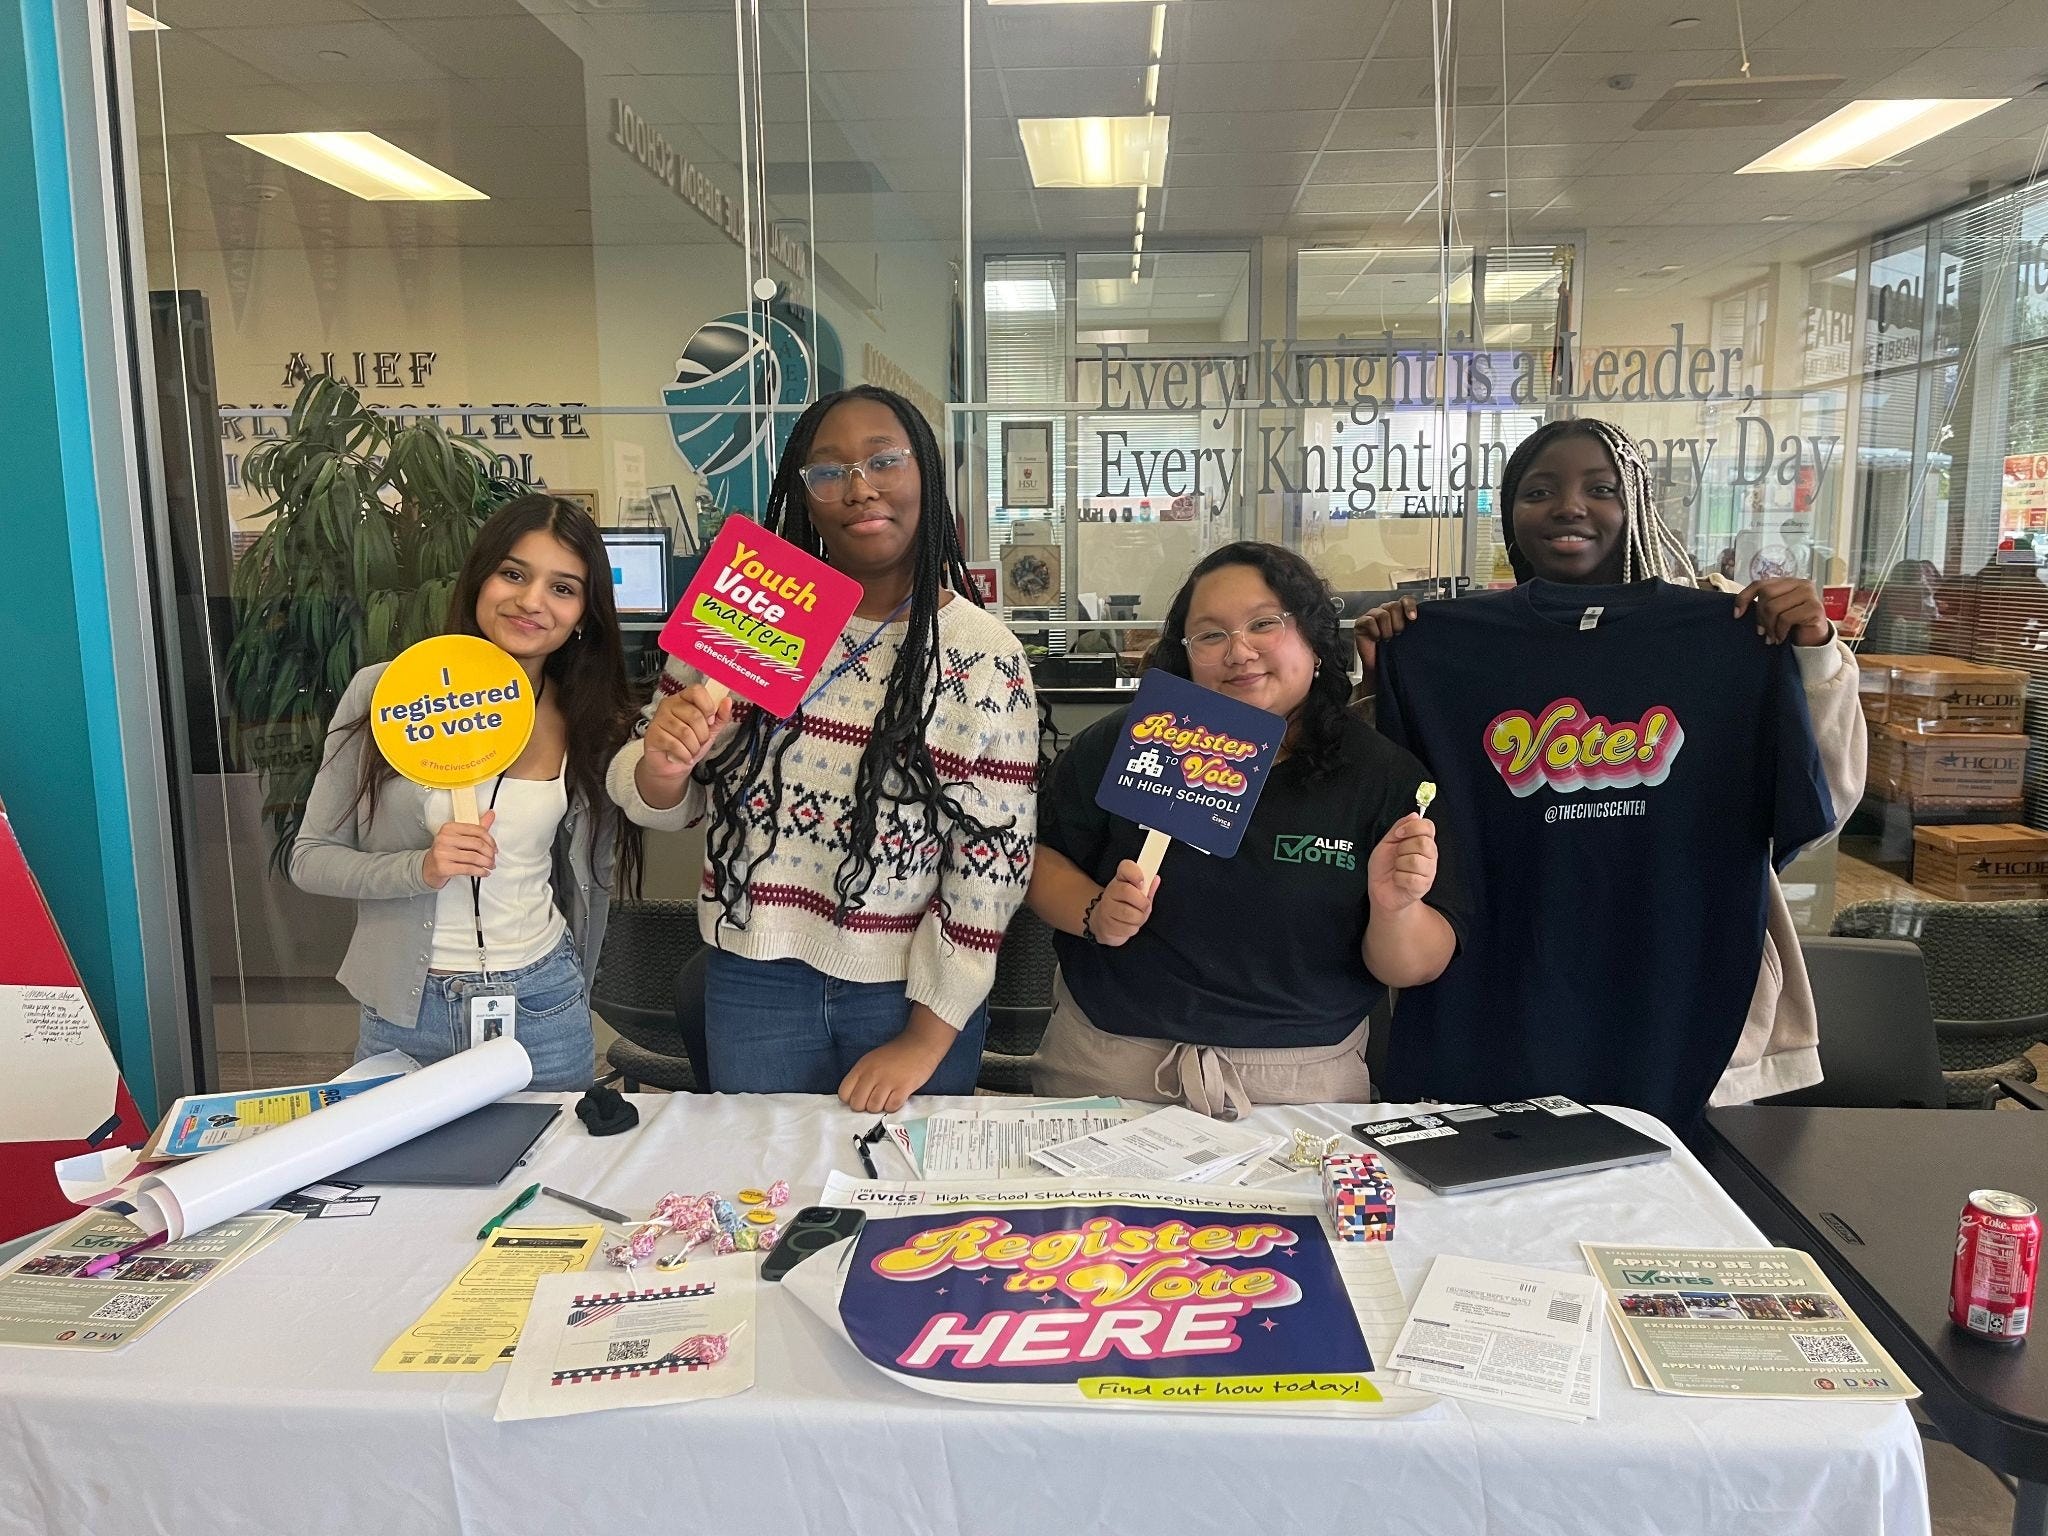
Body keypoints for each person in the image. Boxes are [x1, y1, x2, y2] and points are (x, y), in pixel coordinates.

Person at [1355, 417, 1863, 1125]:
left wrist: (1811, 655)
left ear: (1638, 506)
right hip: (1498, 995)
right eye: (1539, 491)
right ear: (1509, 516)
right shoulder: (1441, 647)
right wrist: (1386, 681)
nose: (1570, 506)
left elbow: (1820, 800)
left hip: (1682, 996)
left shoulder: (1739, 634)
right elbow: (1375, 807)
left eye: (1601, 488)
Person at [607, 385, 1038, 1114]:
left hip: (907, 992)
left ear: (925, 474)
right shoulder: (754, 615)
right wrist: (659, 767)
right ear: (803, 496)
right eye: (829, 471)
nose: (860, 487)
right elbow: (657, 794)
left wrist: (926, 1040)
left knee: (905, 1203)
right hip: (753, 975)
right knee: (765, 1196)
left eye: (884, 460)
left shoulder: (984, 655)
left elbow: (992, 867)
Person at [1027, 542, 1461, 1118]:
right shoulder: (1119, 745)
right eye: (1209, 635)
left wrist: (1395, 907)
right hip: (1107, 1067)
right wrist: (1094, 912)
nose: (1239, 652)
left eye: (1264, 624)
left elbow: (1416, 966)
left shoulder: (1384, 777)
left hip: (1302, 1086)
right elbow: (1036, 864)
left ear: (1311, 637)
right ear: (1184, 654)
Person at [292, 494, 643, 1090]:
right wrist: (420, 869)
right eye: (513, 574)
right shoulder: (387, 691)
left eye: (563, 588)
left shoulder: (592, 722)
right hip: (408, 1012)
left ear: (584, 613)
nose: (531, 602)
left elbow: (606, 864)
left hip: (542, 1004)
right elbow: (309, 859)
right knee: (408, 1183)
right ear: (480, 580)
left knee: (551, 1172)